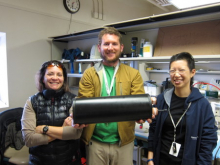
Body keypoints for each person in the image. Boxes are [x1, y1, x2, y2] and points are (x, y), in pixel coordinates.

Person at [77, 27, 157, 165]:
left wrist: (144, 112)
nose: (110, 48)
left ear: (121, 47)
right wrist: (76, 113)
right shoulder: (89, 74)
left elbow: (137, 103)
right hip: (95, 142)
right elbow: (84, 102)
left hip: (123, 143)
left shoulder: (133, 74)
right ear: (99, 47)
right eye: (106, 44)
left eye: (114, 44)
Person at [147, 52, 218, 165]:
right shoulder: (162, 100)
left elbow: (208, 142)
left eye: (181, 70)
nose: (176, 74)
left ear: (192, 72)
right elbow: (153, 130)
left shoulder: (202, 105)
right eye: (172, 70)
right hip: (161, 160)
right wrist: (150, 159)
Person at [21, 60, 86, 165]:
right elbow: (29, 139)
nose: (55, 78)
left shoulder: (73, 100)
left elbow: (75, 133)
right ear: (43, 78)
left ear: (64, 79)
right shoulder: (32, 102)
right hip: (39, 161)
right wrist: (62, 130)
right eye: (50, 74)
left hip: (69, 161)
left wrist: (44, 128)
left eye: (59, 74)